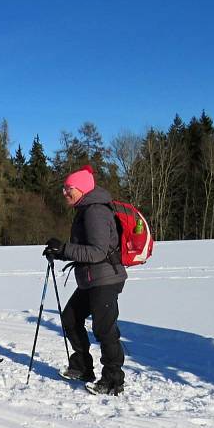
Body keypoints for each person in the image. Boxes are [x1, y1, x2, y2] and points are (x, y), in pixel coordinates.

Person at [43, 165, 128, 395]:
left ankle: (113, 379)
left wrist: (65, 248)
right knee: (70, 318)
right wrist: (60, 252)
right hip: (92, 278)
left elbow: (98, 252)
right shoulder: (86, 210)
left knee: (104, 329)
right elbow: (86, 250)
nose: (64, 192)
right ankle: (82, 367)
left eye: (68, 188)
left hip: (105, 278)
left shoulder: (95, 211)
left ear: (81, 189)